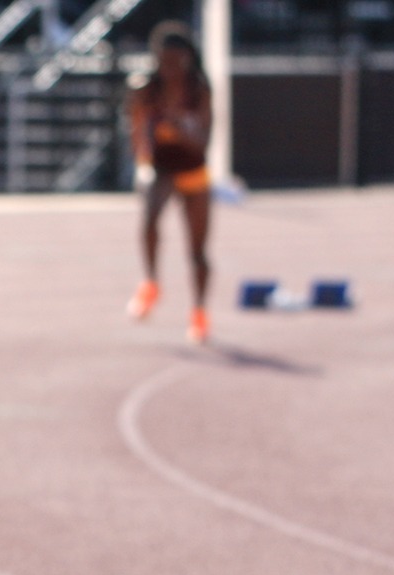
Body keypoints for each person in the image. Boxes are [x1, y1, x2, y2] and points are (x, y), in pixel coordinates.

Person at [125, 21, 213, 344]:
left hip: (193, 170)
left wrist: (179, 128)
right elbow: (135, 126)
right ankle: (150, 283)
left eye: (177, 61)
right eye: (165, 61)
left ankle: (200, 313)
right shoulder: (146, 88)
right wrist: (142, 163)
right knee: (148, 221)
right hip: (162, 169)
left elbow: (203, 141)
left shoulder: (199, 89)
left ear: (188, 59)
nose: (171, 69)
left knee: (198, 251)